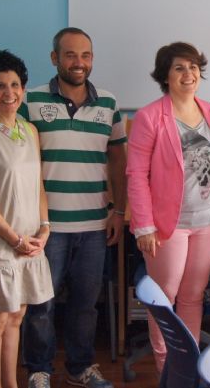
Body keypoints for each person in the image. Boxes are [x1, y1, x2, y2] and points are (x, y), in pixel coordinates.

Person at [20, 27, 127, 388]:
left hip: (94, 224)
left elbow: (117, 162)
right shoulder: (30, 100)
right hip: (44, 226)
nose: (78, 63)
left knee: (85, 304)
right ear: (55, 58)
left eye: (86, 55)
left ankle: (80, 367)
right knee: (41, 305)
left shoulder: (109, 103)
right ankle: (39, 370)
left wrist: (119, 211)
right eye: (70, 55)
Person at [126, 42, 210, 372]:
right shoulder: (149, 116)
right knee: (163, 299)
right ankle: (167, 368)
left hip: (209, 219)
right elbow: (136, 173)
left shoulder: (209, 111)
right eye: (180, 67)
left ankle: (190, 367)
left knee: (193, 296)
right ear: (165, 75)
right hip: (169, 224)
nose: (189, 73)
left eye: (194, 67)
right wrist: (144, 226)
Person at [0, 50, 53, 388]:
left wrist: (44, 228)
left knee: (17, 317)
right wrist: (13, 238)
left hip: (29, 242)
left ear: (23, 90)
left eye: (15, 85)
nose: (8, 92)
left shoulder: (30, 131)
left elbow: (37, 184)